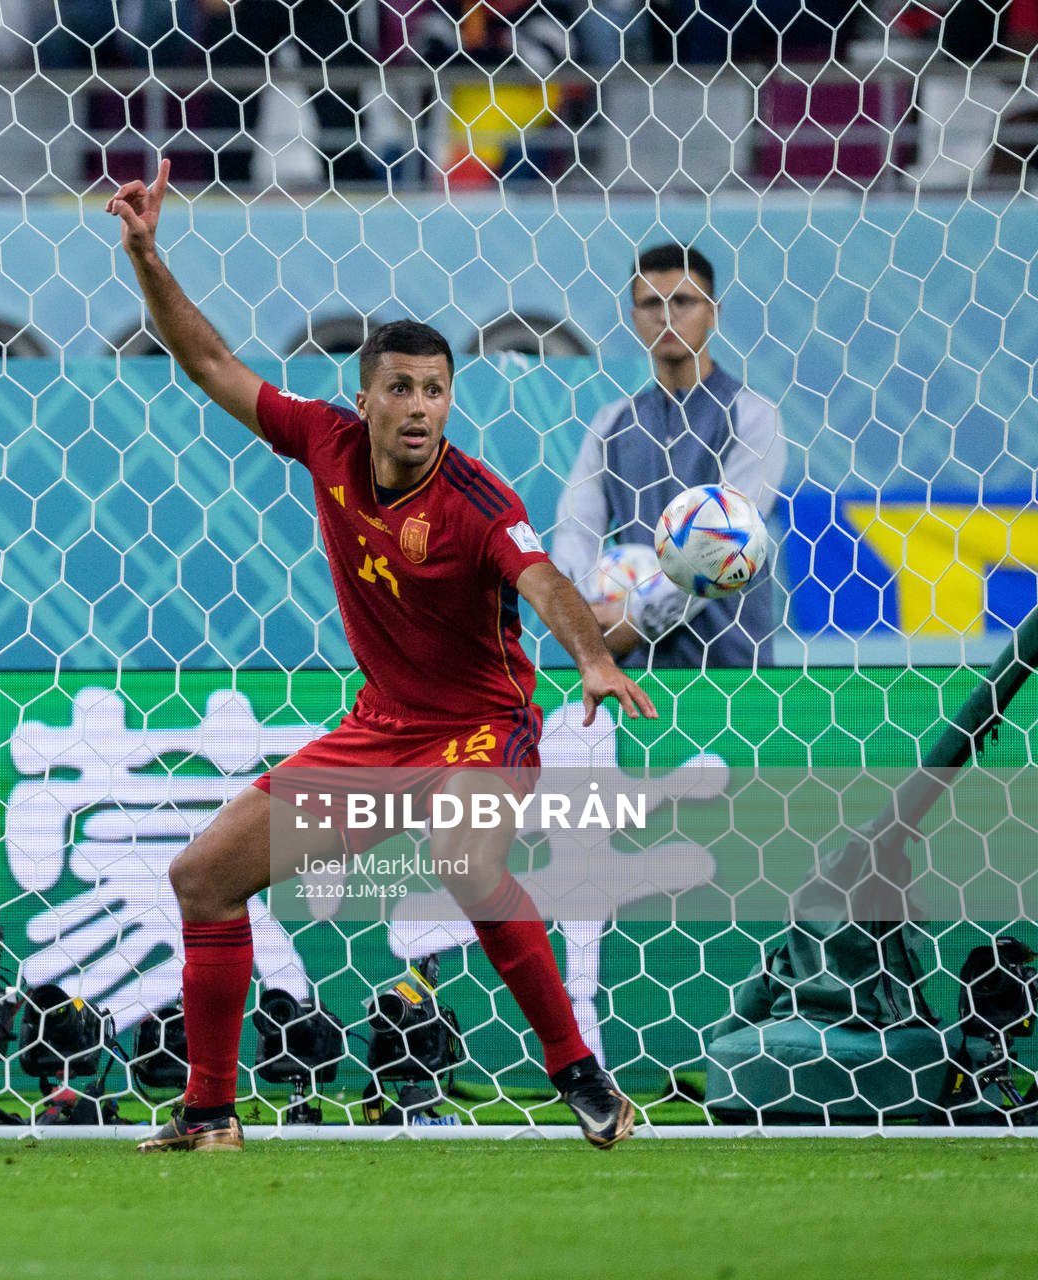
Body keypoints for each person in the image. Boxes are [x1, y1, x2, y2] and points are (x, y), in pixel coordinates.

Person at [107, 158, 657, 1153]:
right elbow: (211, 364)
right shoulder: (322, 441)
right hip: (380, 734)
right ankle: (210, 1113)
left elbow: (541, 581)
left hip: (483, 729)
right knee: (203, 876)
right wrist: (148, 255)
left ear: (452, 401)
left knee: (463, 859)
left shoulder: (479, 503)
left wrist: (592, 659)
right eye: (399, 387)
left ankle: (579, 1071)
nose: (418, 407)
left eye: (436, 390)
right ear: (363, 398)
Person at [551, 243, 787, 669]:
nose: (666, 315)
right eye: (650, 303)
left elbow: (728, 543)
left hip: (733, 667)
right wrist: (585, 613)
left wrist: (642, 617)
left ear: (713, 311)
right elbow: (576, 530)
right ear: (633, 317)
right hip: (636, 674)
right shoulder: (611, 424)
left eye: (682, 301)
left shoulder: (753, 416)